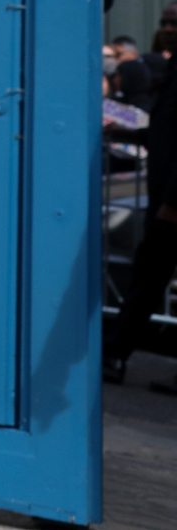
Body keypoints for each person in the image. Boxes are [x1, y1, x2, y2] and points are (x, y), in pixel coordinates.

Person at [106, 22, 177, 388]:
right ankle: (115, 353)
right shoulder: (171, 70)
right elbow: (165, 130)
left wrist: (173, 202)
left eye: (174, 23)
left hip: (171, 204)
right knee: (146, 281)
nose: (166, 30)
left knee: (148, 280)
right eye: (164, 22)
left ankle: (115, 353)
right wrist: (124, 132)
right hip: (163, 196)